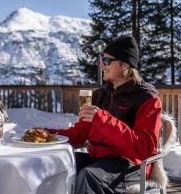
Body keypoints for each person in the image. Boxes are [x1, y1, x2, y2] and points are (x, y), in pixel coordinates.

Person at [46, 36, 162, 193]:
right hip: (97, 158)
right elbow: (80, 134)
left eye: (106, 61)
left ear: (125, 65)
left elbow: (144, 148)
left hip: (131, 165)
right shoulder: (100, 95)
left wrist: (102, 119)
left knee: (89, 176)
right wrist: (46, 134)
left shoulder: (147, 98)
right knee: (55, 165)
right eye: (101, 59)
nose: (101, 65)